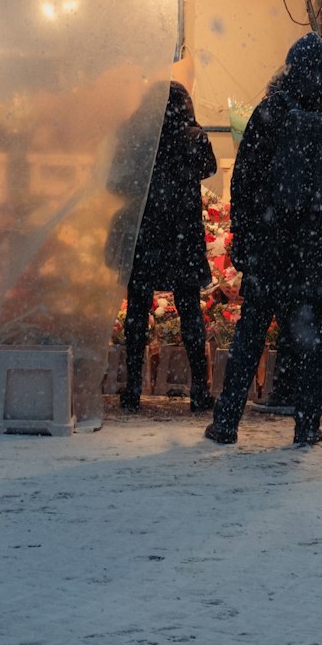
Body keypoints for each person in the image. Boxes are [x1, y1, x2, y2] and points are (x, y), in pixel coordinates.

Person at [206, 33, 322, 448]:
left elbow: (244, 181)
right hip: (319, 252)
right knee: (317, 340)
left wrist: (245, 237)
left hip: (271, 247)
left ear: (290, 66)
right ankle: (308, 424)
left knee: (251, 333)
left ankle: (226, 421)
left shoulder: (269, 113)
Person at [112, 81, 218, 414]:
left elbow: (114, 183)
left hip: (144, 232)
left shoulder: (134, 136)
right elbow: (210, 168)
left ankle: (132, 390)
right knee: (189, 311)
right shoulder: (194, 138)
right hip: (182, 233)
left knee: (136, 312)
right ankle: (199, 390)